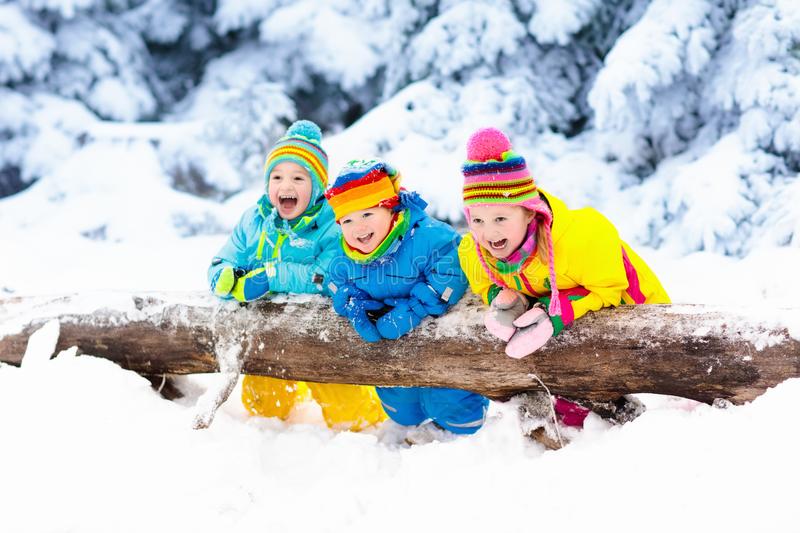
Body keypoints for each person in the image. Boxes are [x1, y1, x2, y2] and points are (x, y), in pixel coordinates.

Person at [458, 127, 670, 426]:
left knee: (589, 394)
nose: (488, 232)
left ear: (530, 213)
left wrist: (553, 314)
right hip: (566, 323)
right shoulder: (474, 250)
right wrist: (506, 298)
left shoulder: (579, 240)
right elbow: (485, 284)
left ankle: (612, 418)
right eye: (477, 220)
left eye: (500, 218)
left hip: (635, 315)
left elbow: (609, 291)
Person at [207, 120, 385, 431]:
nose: (285, 186)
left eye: (298, 178)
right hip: (269, 339)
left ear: (317, 185)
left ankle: (372, 436)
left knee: (352, 417)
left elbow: (330, 274)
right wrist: (223, 275)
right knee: (263, 410)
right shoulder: (255, 219)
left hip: (325, 338)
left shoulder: (334, 221)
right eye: (277, 176)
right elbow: (226, 257)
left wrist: (272, 275)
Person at [325, 159, 488, 436]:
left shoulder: (427, 236)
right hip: (391, 350)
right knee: (401, 404)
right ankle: (403, 428)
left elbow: (452, 269)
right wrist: (355, 305)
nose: (358, 228)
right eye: (348, 220)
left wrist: (414, 308)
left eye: (367, 214)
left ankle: (457, 436)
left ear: (390, 209)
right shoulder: (345, 255)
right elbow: (333, 281)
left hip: (440, 340)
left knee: (452, 403)